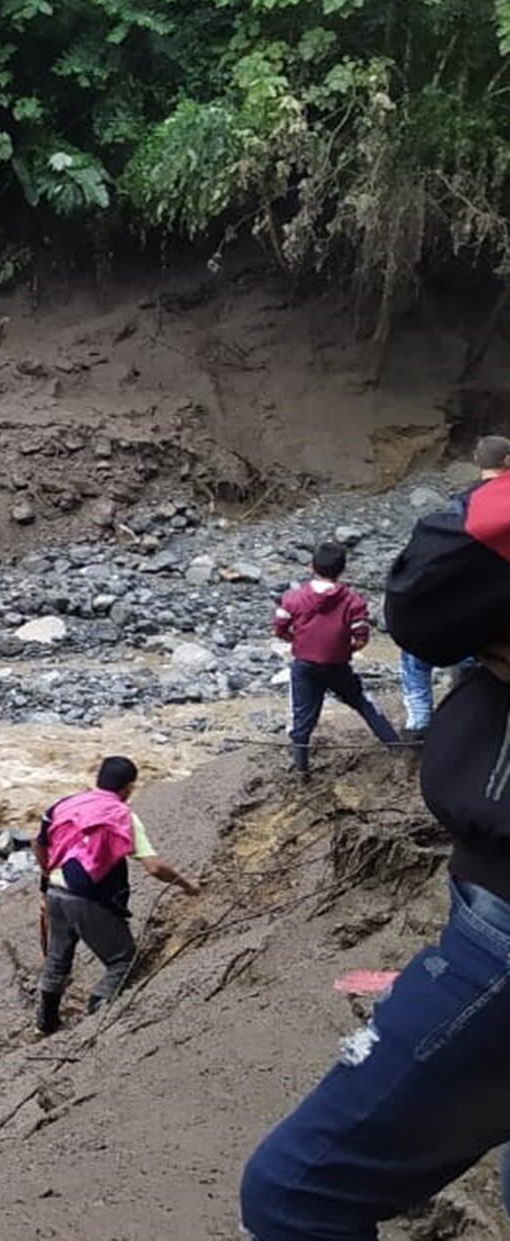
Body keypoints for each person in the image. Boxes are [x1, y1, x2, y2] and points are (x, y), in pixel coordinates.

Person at [241, 467, 510, 1238]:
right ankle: (386, 735)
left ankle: (305, 754)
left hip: (501, 921)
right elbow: (363, 628)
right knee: (363, 700)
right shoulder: (343, 601)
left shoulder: (301, 598)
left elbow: (421, 605)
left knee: (294, 1192)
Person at [32, 756, 203, 1035]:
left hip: (55, 891)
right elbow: (155, 867)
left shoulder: (64, 805)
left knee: (57, 959)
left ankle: (45, 1024)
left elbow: (38, 844)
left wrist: (45, 880)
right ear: (128, 787)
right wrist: (188, 885)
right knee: (123, 961)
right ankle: (99, 1012)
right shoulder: (123, 816)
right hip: (88, 898)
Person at [399, 435, 510, 741]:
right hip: (495, 615)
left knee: (413, 658)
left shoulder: (462, 506)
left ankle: (418, 725)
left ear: (477, 461)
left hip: (467, 606)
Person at [275, 541, 399, 774]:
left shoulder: (293, 599)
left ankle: (301, 769)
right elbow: (361, 638)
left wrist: (297, 641)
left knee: (301, 719)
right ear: (342, 569)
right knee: (365, 704)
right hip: (338, 667)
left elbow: (279, 628)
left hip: (305, 666)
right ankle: (397, 749)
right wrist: (343, 650)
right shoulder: (354, 602)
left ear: (312, 566)